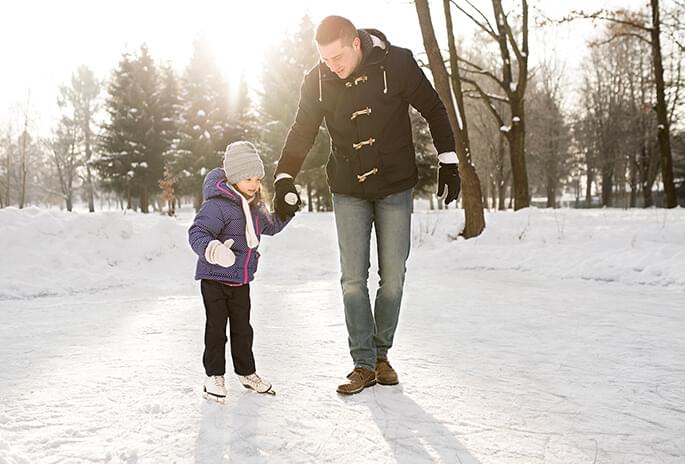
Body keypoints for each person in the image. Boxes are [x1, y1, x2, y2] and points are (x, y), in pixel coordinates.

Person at [272, 16, 461, 395]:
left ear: (356, 44)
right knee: (353, 280)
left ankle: (381, 355)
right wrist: (283, 176)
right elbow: (302, 129)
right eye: (326, 59)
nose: (333, 66)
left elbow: (434, 107)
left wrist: (449, 159)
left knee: (393, 278)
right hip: (348, 188)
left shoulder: (398, 62)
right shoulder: (318, 80)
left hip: (395, 186)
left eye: (338, 57)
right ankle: (363, 363)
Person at [188, 141, 292, 402]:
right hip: (214, 279)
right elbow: (197, 232)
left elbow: (272, 226)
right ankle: (214, 376)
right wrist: (212, 250)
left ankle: (246, 372)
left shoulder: (254, 206)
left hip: (241, 279)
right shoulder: (217, 205)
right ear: (234, 177)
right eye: (248, 178)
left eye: (257, 178)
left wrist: (287, 209)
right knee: (216, 330)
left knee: (243, 330)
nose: (254, 184)